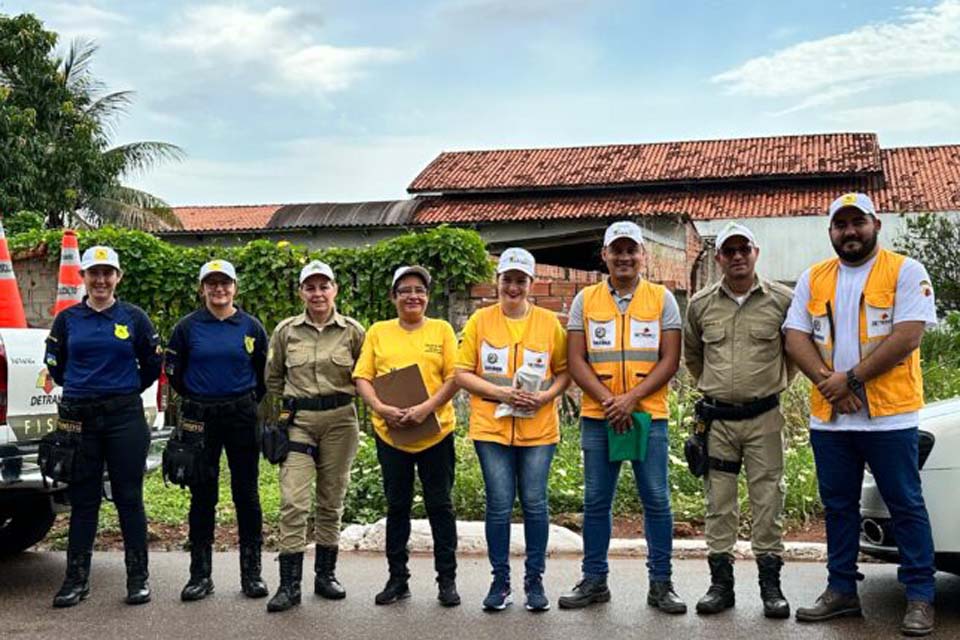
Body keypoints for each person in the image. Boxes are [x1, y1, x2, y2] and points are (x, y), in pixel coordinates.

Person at [784, 193, 938, 637]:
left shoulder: (905, 271)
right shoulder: (815, 277)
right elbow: (795, 336)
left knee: (906, 504)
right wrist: (828, 382)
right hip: (831, 420)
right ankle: (841, 591)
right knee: (837, 507)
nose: (849, 232)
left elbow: (908, 335)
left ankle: (920, 596)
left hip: (889, 417)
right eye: (840, 224)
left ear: (876, 224)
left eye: (858, 223)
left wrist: (850, 379)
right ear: (830, 230)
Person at [558, 221, 686, 614]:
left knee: (656, 500)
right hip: (600, 417)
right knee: (596, 500)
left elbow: (671, 359)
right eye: (617, 250)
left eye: (632, 250)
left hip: (649, 416)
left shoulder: (662, 299)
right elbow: (576, 360)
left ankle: (661, 584)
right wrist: (608, 400)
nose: (625, 257)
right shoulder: (586, 300)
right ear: (605, 255)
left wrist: (631, 399)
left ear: (642, 255)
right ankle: (594, 580)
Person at [683, 222, 793, 618]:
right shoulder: (700, 305)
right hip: (718, 422)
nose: (737, 257)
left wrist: (769, 387)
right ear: (719, 258)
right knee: (719, 502)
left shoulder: (782, 300)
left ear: (755, 252)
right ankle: (721, 586)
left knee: (768, 499)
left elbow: (793, 353)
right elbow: (693, 356)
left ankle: (771, 587)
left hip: (764, 417)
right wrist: (719, 391)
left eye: (743, 249)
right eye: (729, 251)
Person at [44, 246, 161, 607]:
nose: (100, 280)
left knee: (128, 498)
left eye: (108, 273)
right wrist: (85, 390)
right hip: (79, 418)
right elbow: (55, 365)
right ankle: (75, 580)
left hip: (124, 417)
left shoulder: (134, 317)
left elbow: (152, 367)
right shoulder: (68, 320)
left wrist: (120, 390)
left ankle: (137, 579)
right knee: (84, 501)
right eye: (94, 273)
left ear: (118, 278)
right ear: (84, 278)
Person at [455, 248, 570, 613]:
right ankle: (500, 581)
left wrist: (546, 397)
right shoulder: (480, 321)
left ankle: (534, 581)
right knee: (499, 505)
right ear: (497, 281)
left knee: (535, 504)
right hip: (492, 429)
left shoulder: (550, 323)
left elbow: (566, 371)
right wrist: (502, 392)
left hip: (538, 430)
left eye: (521, 280)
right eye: (508, 279)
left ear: (531, 284)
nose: (514, 287)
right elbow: (462, 373)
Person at [353, 266, 461, 607]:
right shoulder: (378, 332)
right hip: (392, 434)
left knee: (440, 506)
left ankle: (447, 581)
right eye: (405, 290)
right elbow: (362, 377)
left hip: (435, 433)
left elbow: (455, 377)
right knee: (397, 507)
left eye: (419, 289)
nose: (413, 295)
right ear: (393, 296)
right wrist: (381, 408)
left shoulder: (442, 330)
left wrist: (427, 408)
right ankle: (397, 580)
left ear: (427, 296)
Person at [164, 259, 269, 602]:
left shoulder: (251, 327)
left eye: (224, 283)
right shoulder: (187, 327)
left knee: (247, 494)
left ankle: (252, 575)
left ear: (235, 287)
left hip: (241, 414)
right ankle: (200, 575)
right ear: (202, 288)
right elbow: (175, 375)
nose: (218, 289)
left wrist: (244, 402)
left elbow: (262, 376)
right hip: (200, 418)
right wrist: (199, 398)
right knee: (202, 495)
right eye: (211, 284)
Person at [265, 260, 365, 613]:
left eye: (324, 286)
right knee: (293, 500)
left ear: (335, 290)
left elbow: (366, 377)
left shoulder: (352, 331)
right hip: (300, 421)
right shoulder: (286, 331)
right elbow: (273, 378)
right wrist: (285, 414)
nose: (318, 293)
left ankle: (325, 576)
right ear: (301, 292)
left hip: (341, 421)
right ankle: (289, 585)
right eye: (311, 287)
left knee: (331, 499)